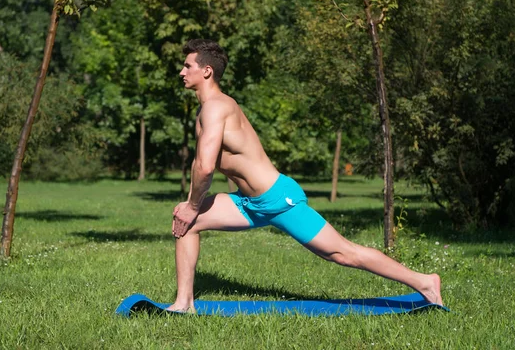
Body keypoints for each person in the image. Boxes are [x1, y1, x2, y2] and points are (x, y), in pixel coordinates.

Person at [168, 39, 442, 313]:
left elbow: (205, 167)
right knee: (186, 223)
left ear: (206, 71)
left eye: (187, 66)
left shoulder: (217, 107)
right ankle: (184, 303)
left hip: (276, 198)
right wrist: (190, 209)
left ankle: (424, 282)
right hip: (247, 203)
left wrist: (194, 205)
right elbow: (201, 166)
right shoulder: (208, 109)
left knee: (342, 253)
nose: (181, 72)